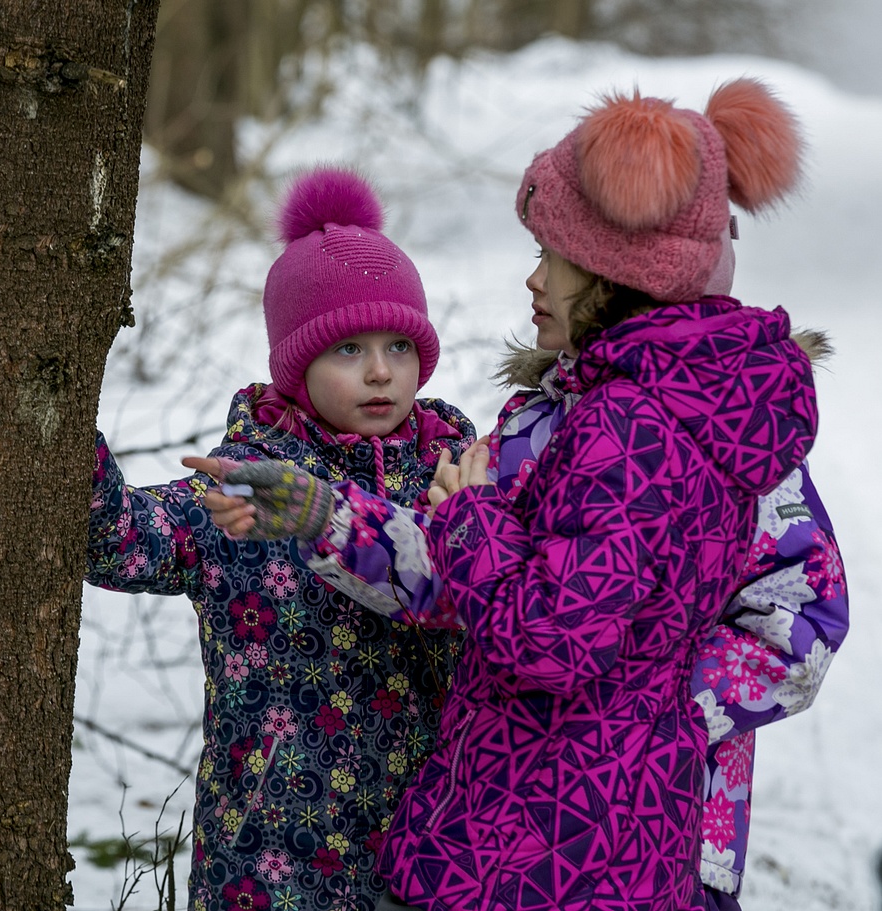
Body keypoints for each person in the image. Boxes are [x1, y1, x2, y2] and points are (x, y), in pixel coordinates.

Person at [200, 80, 831, 910]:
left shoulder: (705, 436)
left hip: (592, 838)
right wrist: (329, 514)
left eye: (552, 253)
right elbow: (468, 574)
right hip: (503, 810)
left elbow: (796, 623)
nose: (532, 276)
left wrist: (662, 709)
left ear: (610, 269)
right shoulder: (547, 419)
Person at [85, 167, 475, 911]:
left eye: (399, 344)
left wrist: (478, 516)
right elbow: (123, 538)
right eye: (349, 349)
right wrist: (62, 424)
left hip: (430, 850)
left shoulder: (456, 478)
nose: (382, 372)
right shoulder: (251, 485)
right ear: (295, 363)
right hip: (271, 855)